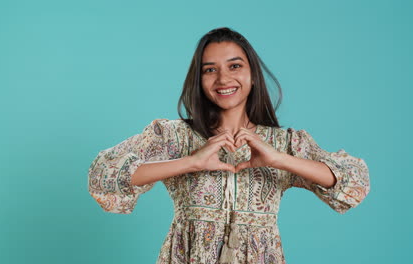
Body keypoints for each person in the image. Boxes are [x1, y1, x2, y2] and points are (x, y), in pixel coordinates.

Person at [87, 27, 370, 264]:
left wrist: (279, 159)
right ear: (199, 80)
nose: (223, 79)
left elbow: (353, 183)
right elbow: (104, 176)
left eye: (235, 66)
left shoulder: (284, 142)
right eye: (210, 70)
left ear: (253, 75)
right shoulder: (173, 136)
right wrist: (191, 162)